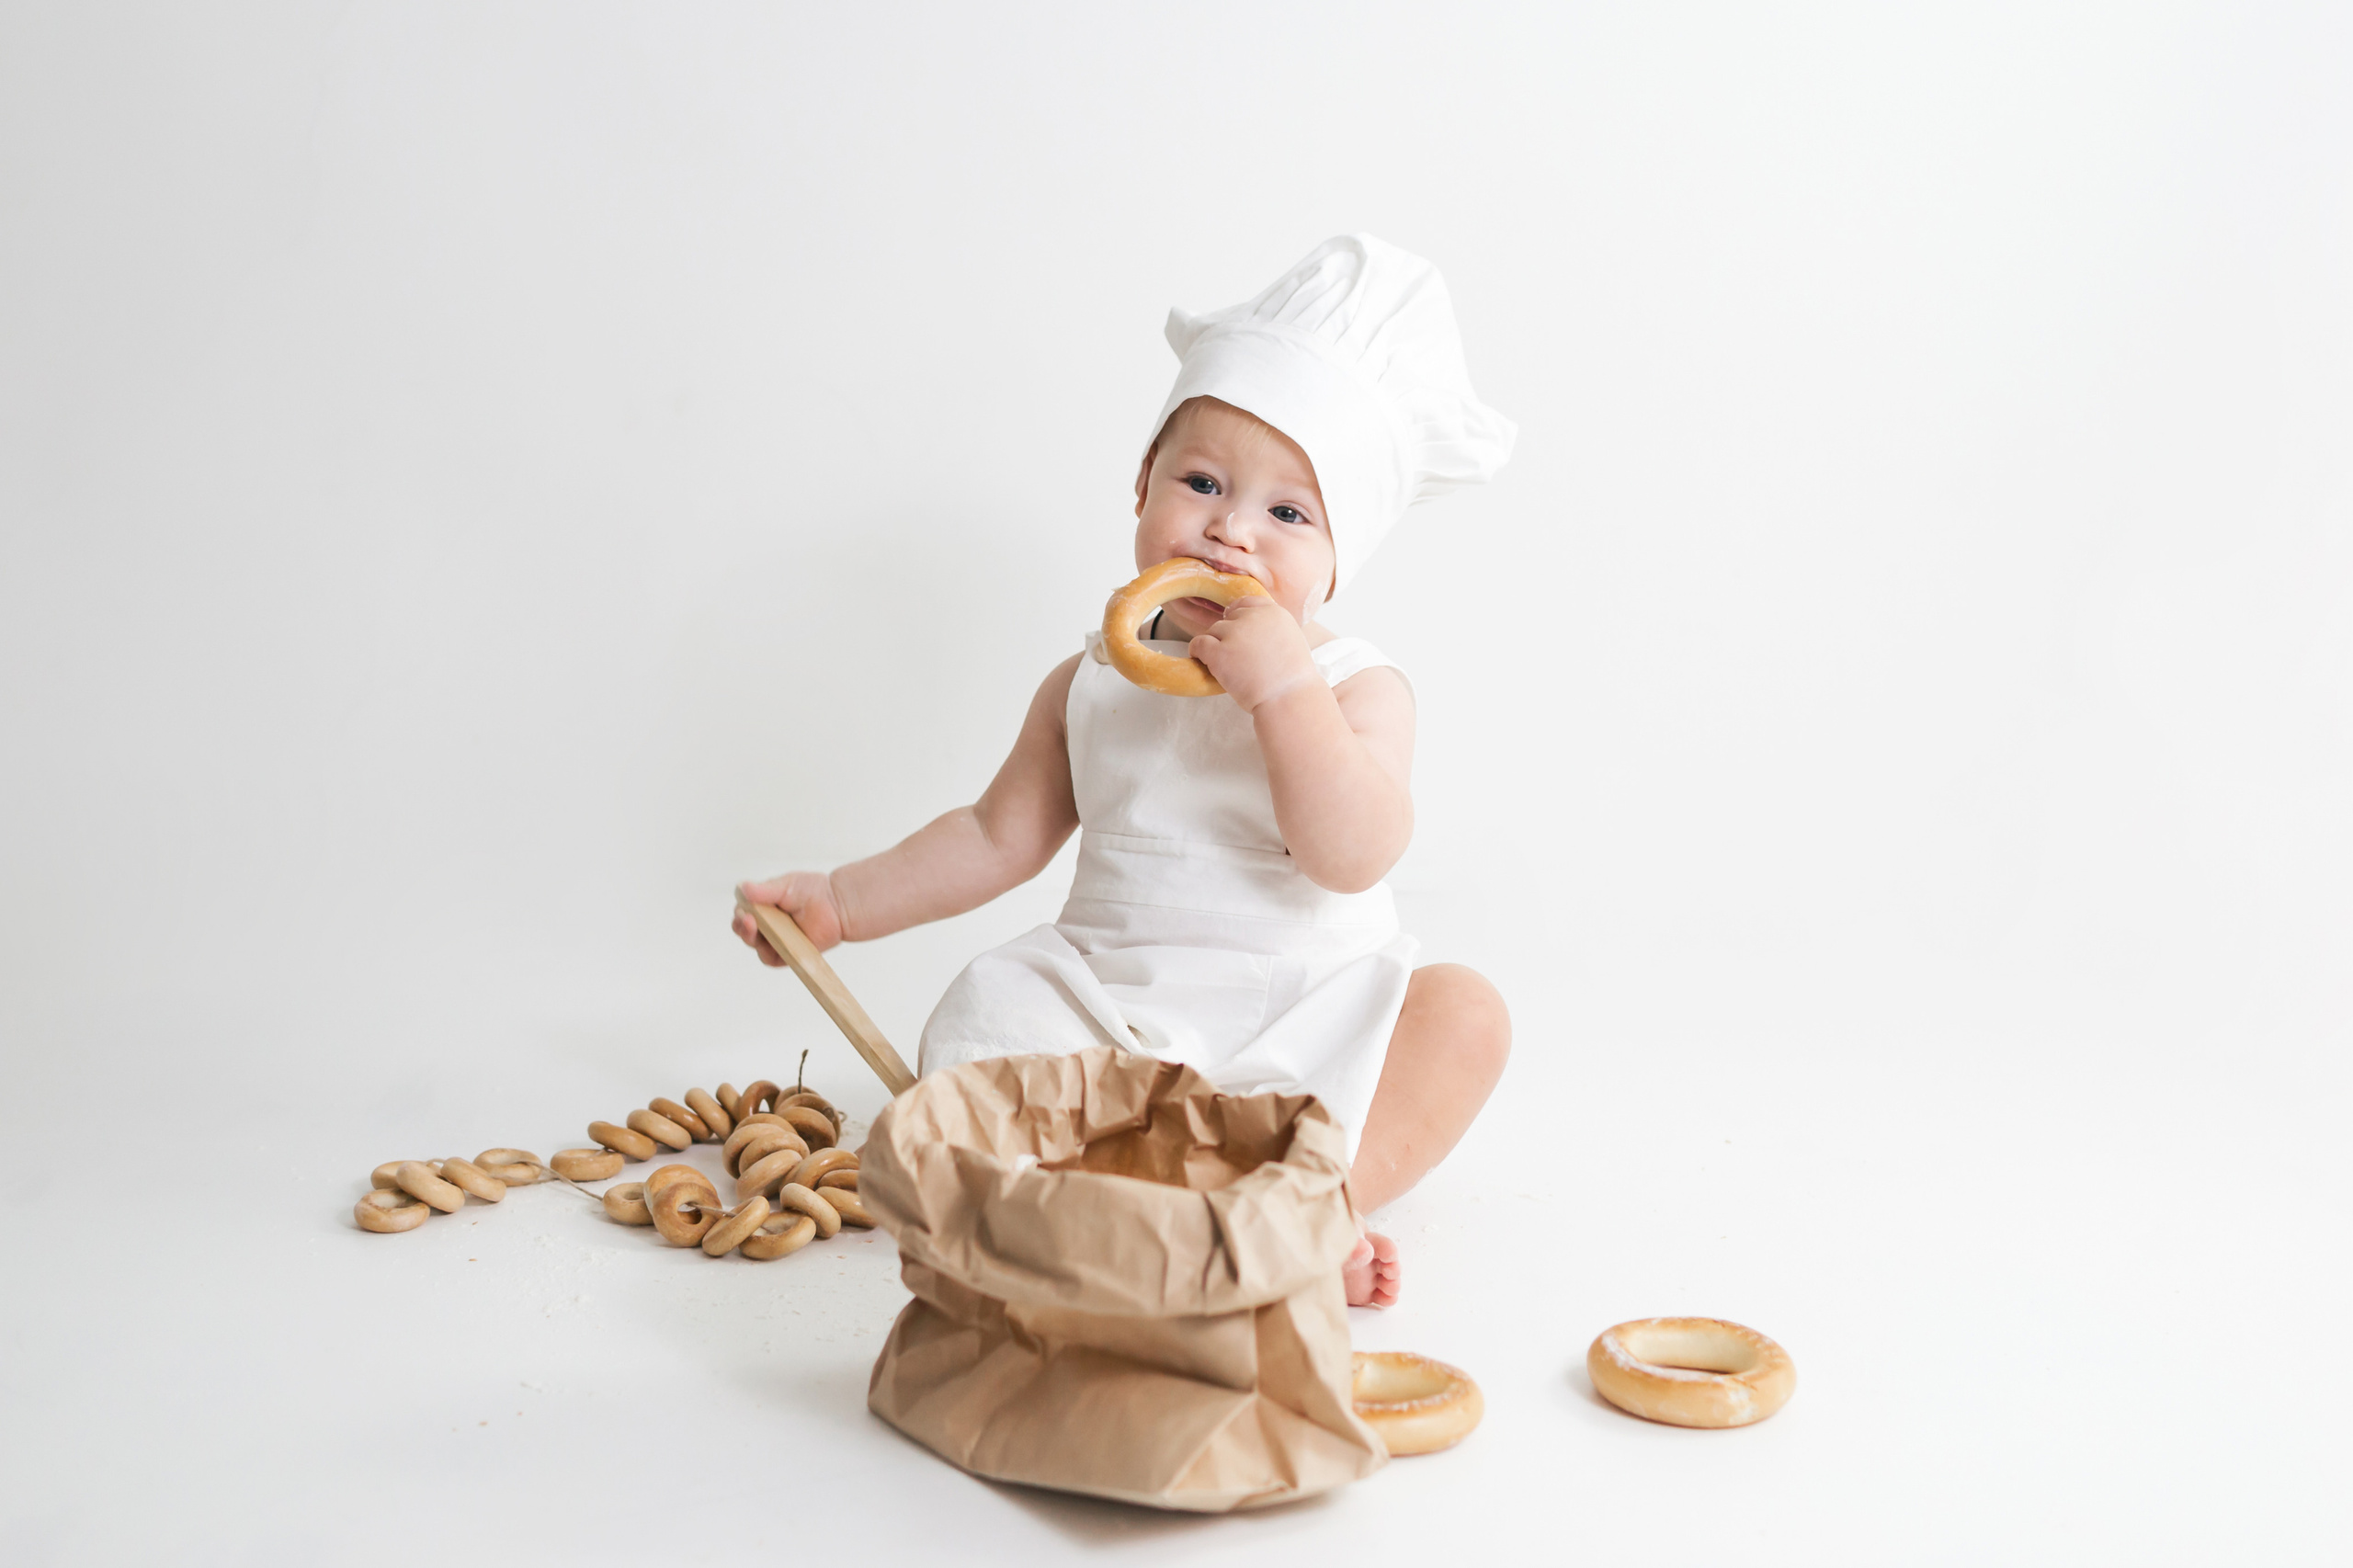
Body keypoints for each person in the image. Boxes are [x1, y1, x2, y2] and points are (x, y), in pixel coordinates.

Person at [734, 234, 1515, 1307]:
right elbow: (991, 834)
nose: (1233, 529)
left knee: (1465, 1014)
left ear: (1340, 558)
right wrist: (839, 901)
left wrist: (1284, 696)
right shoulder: (1094, 680)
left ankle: (1318, 1199)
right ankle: (1112, 1202)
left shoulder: (1353, 686)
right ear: (1142, 487)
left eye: (1290, 514)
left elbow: (1352, 853)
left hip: (1304, 1012)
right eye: (1201, 482)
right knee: (980, 1014)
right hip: (1117, 1013)